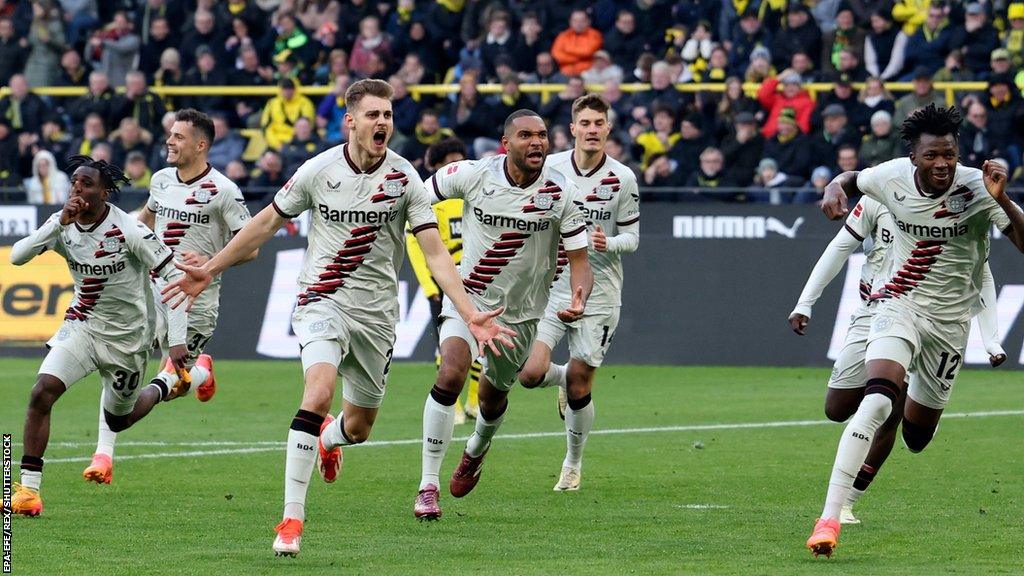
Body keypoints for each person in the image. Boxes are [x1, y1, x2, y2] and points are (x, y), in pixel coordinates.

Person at [160, 79, 513, 557]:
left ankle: (331, 438)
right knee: (318, 392)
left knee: (360, 426)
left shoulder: (405, 177)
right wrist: (210, 268)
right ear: (350, 121)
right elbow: (265, 222)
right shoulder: (317, 170)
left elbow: (435, 255)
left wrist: (468, 312)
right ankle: (291, 519)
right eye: (373, 115)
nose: (382, 122)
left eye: (387, 115)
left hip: (376, 316)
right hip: (321, 303)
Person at [808, 104, 1024, 557]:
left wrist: (1003, 199)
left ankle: (903, 393)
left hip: (949, 324)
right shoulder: (889, 177)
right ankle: (828, 519)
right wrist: (832, 185)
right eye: (932, 156)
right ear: (914, 157)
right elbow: (852, 178)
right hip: (897, 305)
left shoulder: (978, 187)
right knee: (876, 398)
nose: (942, 163)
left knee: (917, 437)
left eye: (949, 154)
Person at [413, 109, 593, 520]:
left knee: (494, 398)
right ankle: (428, 485)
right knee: (451, 371)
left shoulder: (560, 192)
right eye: (527, 135)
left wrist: (580, 295)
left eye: (543, 136)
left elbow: (580, 260)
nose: (537, 142)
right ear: (505, 143)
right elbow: (416, 198)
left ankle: (476, 449)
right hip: (469, 300)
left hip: (521, 315)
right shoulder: (472, 174)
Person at [81, 108, 256, 485]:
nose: (169, 141)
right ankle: (103, 455)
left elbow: (251, 248)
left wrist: (210, 261)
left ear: (201, 144)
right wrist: (104, 231)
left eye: (178, 136)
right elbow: (143, 219)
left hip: (196, 303)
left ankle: (202, 371)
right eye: (170, 135)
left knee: (174, 382)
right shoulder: (160, 180)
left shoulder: (224, 191)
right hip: (149, 293)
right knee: (121, 365)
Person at [8, 155, 189, 517]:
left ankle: (163, 385)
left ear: (105, 193)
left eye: (86, 184)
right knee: (42, 391)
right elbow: (16, 256)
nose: (77, 188)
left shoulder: (131, 230)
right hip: (83, 327)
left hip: (129, 339)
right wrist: (57, 223)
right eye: (75, 181)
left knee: (118, 419)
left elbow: (175, 279)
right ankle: (29, 492)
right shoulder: (61, 225)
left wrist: (176, 341)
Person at [518, 95, 639, 491]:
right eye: (584, 123)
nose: (591, 130)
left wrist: (610, 244)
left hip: (600, 290)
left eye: (598, 123)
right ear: (572, 129)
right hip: (553, 283)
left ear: (607, 129)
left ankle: (572, 463)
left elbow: (633, 237)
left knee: (581, 384)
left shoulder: (622, 178)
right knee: (530, 373)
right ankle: (562, 379)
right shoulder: (550, 169)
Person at [405, 137, 482, 425]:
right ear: (436, 166)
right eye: (449, 160)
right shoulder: (428, 200)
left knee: (480, 343)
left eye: (459, 159)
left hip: (476, 279)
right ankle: (455, 405)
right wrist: (429, 286)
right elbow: (415, 247)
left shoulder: (473, 196)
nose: (456, 166)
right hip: (443, 283)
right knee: (448, 346)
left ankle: (474, 401)